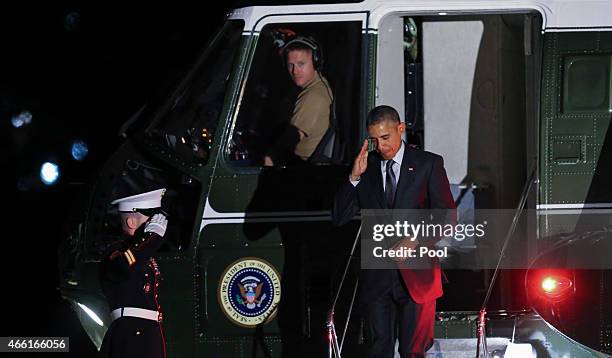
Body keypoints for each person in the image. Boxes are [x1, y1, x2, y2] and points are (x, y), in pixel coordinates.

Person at [332, 105, 455, 357]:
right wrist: (354, 177)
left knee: (413, 351)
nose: (381, 146)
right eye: (374, 140)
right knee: (378, 350)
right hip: (377, 278)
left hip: (417, 276)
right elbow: (339, 216)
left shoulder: (427, 164)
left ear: (401, 129)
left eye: (385, 138)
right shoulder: (367, 168)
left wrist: (415, 240)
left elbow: (447, 216)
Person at [99, 188, 169, 358]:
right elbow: (125, 265)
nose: (155, 225)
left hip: (148, 332)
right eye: (150, 220)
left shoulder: (144, 255)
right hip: (131, 335)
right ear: (131, 222)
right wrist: (152, 238)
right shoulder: (116, 253)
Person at [264, 36, 333, 166]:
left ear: (315, 62)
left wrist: (268, 161)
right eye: (291, 65)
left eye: (301, 64)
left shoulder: (312, 95)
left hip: (302, 165)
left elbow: (291, 138)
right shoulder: (319, 85)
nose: (295, 71)